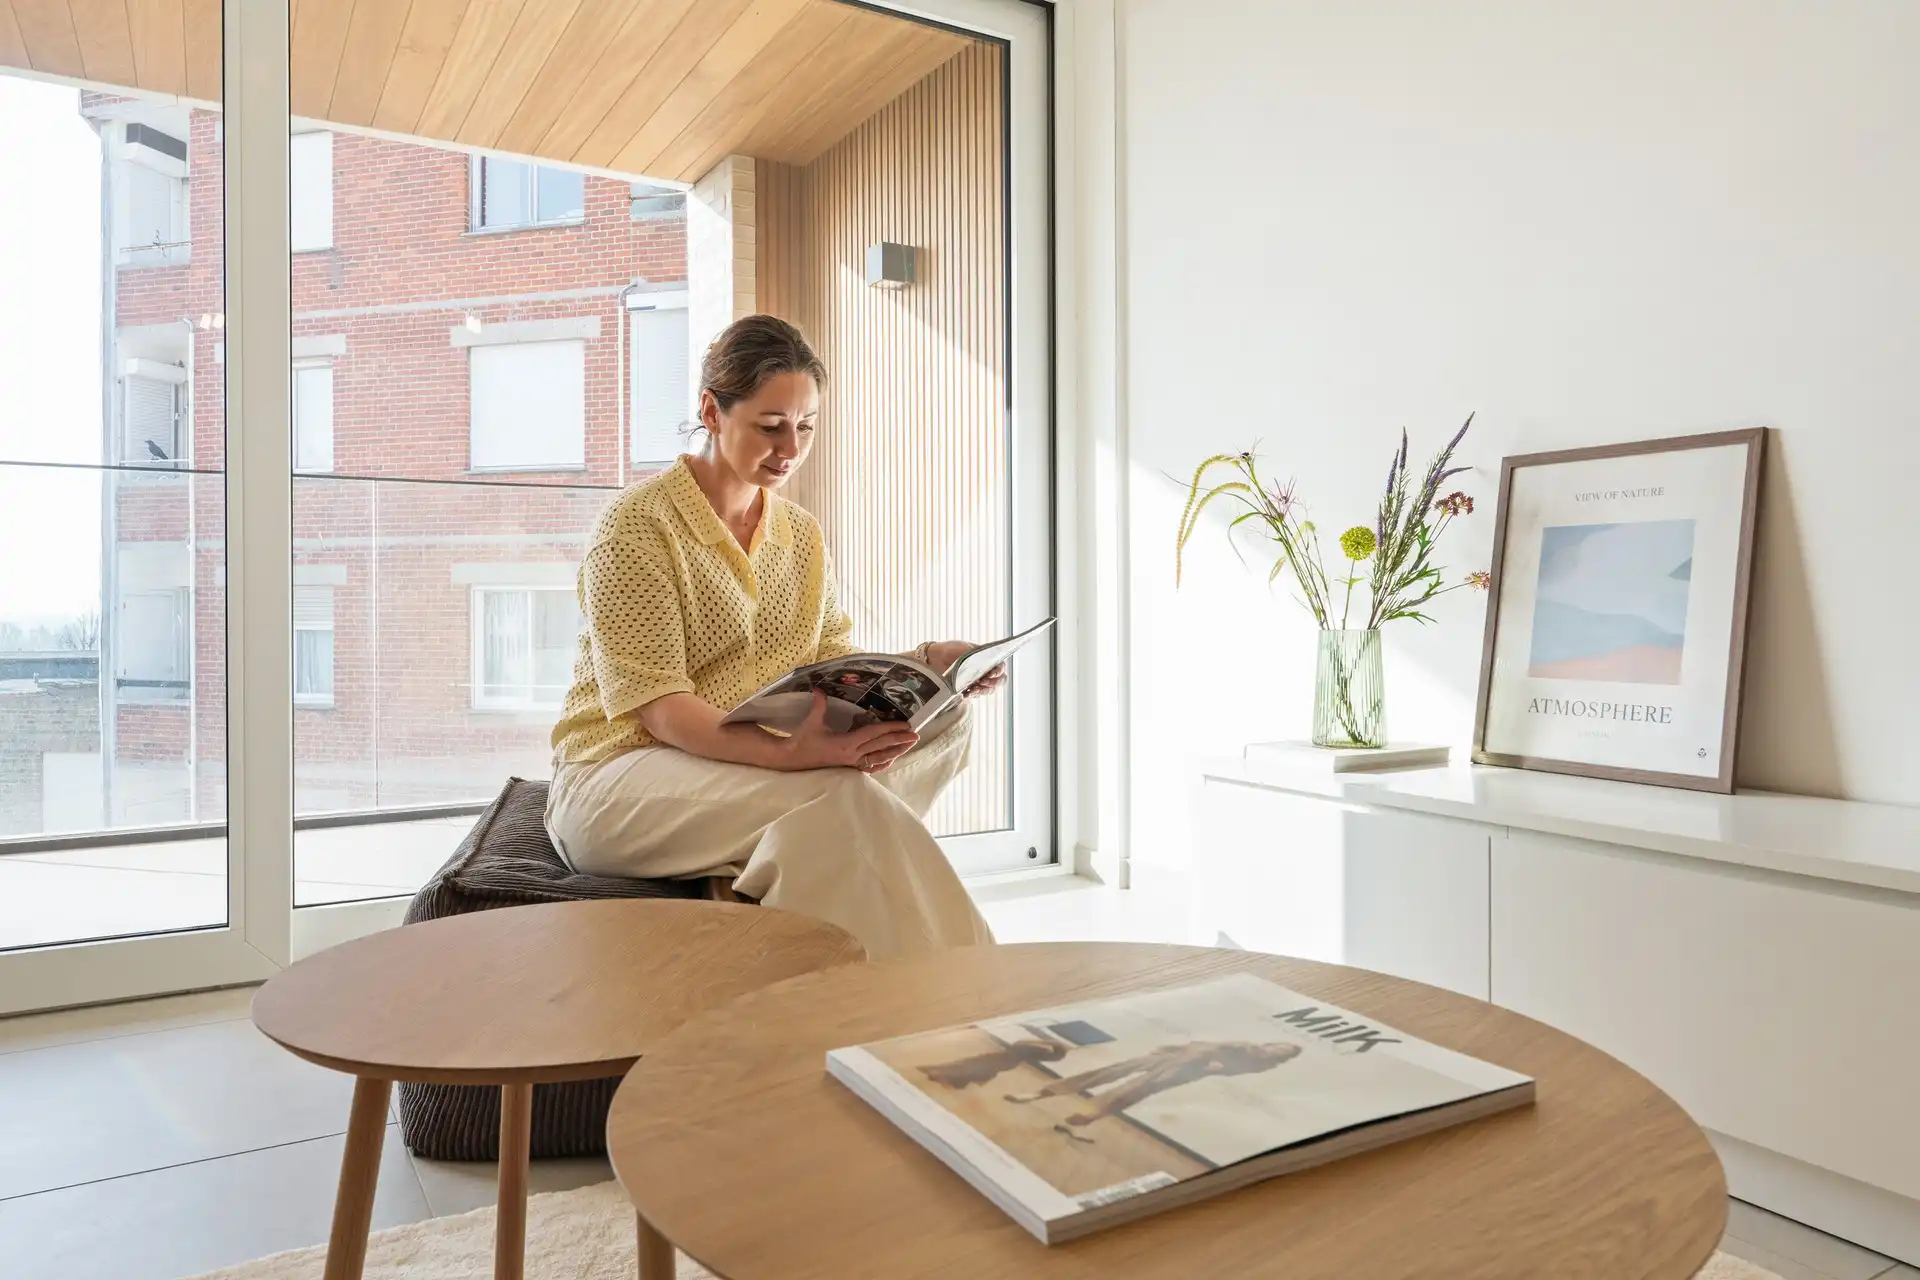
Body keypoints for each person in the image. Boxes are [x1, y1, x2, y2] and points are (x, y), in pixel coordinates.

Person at [545, 314, 1001, 959]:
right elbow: (662, 709)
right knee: (837, 795)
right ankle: (971, 995)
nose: (790, 448)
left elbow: (835, 662)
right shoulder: (637, 527)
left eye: (806, 426)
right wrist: (791, 756)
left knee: (948, 723)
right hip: (617, 776)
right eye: (770, 426)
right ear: (711, 410)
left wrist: (932, 664)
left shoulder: (799, 533)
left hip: (732, 768)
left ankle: (779, 872)